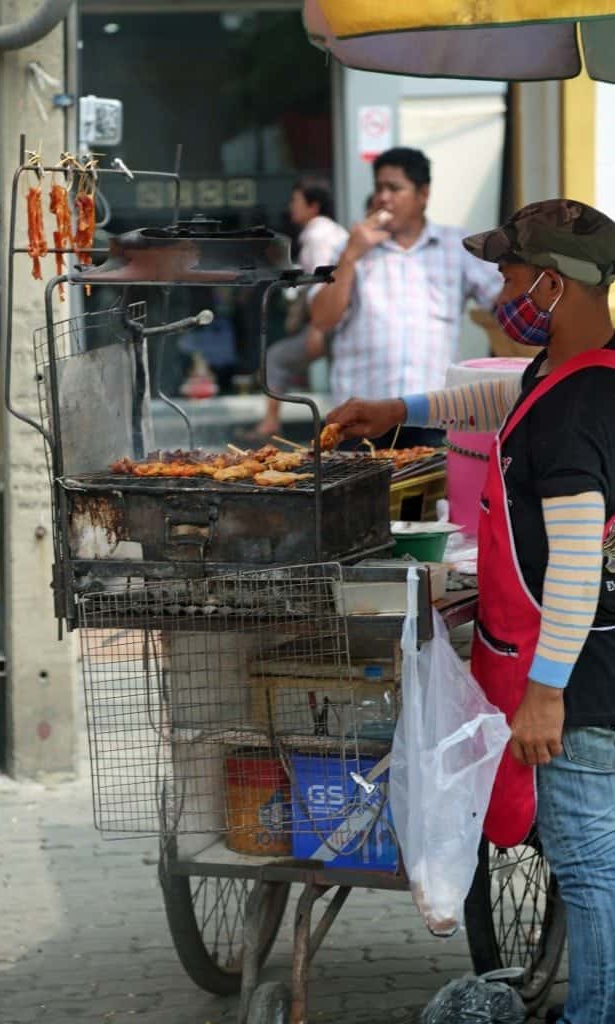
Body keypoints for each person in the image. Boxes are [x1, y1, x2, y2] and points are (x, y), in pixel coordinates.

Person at [326, 199, 615, 1024]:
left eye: (512, 274)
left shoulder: (572, 414)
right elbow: (499, 410)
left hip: (580, 677)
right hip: (594, 663)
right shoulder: (570, 376)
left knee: (590, 868)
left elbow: (572, 568)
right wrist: (399, 411)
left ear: (553, 285)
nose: (501, 293)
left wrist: (546, 690)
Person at [310, 147, 501, 448]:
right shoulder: (353, 247)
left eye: (394, 188)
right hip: (358, 419)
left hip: (430, 417)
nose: (383, 197)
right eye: (379, 188)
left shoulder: (455, 246)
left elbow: (503, 302)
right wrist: (350, 255)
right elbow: (322, 318)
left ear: (422, 194)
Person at [251, 178, 347, 438]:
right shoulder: (332, 232)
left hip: (329, 320)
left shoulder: (319, 235)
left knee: (275, 358)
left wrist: (317, 327)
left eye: (296, 200)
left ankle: (271, 423)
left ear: (313, 205)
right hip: (340, 320)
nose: (291, 206)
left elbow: (322, 281)